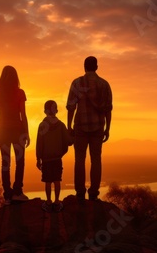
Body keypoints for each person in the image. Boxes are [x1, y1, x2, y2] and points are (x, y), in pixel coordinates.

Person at [66, 56, 112, 201]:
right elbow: (108, 109)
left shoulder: (77, 83)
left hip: (80, 126)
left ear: (84, 67)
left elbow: (71, 107)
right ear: (96, 67)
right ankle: (93, 192)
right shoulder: (104, 84)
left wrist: (69, 127)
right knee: (96, 160)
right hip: (98, 126)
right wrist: (107, 128)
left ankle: (80, 192)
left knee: (79, 160)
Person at [0, 65, 30, 205]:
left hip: (2, 132)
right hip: (18, 131)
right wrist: (27, 133)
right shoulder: (20, 93)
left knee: (5, 164)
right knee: (20, 162)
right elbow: (23, 115)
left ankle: (7, 196)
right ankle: (17, 192)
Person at [36, 100, 73, 212]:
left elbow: (39, 144)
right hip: (57, 159)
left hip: (46, 159)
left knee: (47, 181)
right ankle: (57, 202)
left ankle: (48, 202)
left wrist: (38, 159)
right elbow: (68, 141)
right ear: (56, 110)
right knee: (57, 180)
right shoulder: (61, 125)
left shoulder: (42, 126)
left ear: (45, 111)